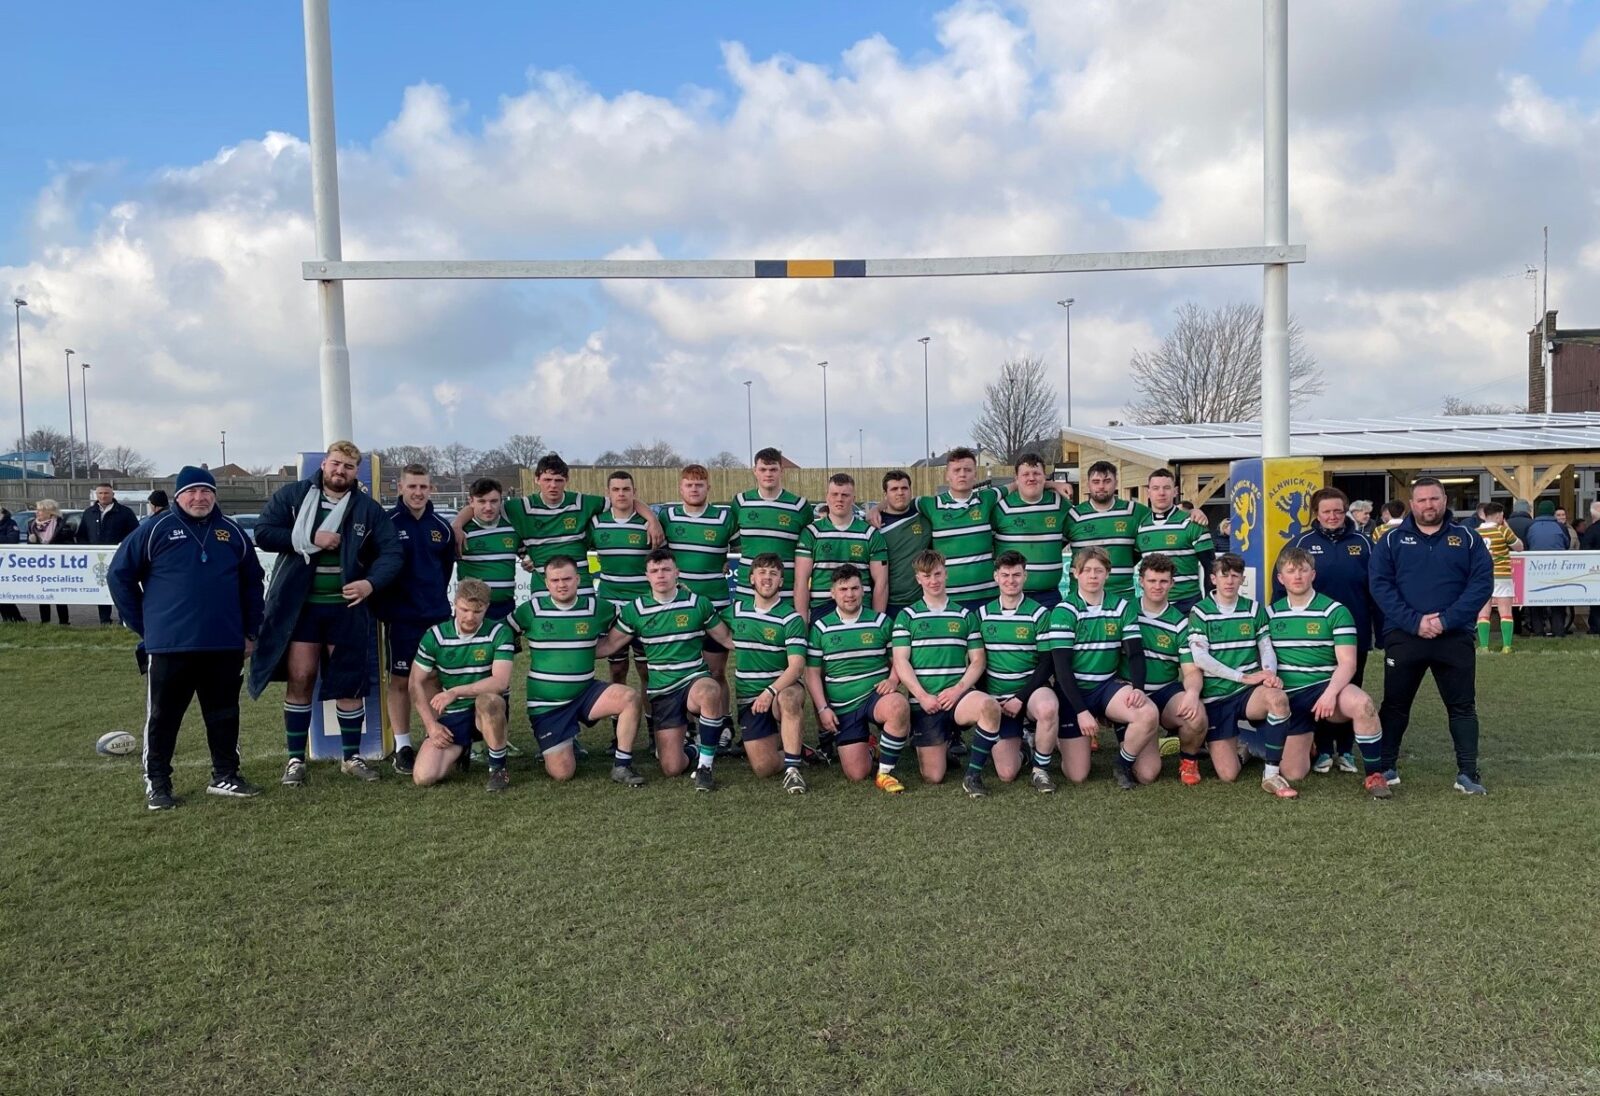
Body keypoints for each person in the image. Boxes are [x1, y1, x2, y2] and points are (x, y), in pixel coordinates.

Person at [106, 466, 265, 810]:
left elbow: (253, 582)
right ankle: (158, 784)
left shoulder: (232, 533)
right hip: (170, 646)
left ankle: (225, 775)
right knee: (163, 717)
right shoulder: (155, 529)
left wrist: (251, 630)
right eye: (191, 491)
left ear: (214, 496)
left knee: (224, 713)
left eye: (206, 491)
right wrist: (145, 626)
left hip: (224, 644)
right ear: (178, 496)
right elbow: (119, 575)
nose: (199, 497)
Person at [248, 441, 403, 787]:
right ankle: (295, 759)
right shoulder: (294, 496)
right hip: (301, 607)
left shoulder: (366, 508)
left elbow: (392, 552)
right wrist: (307, 537)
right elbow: (263, 533)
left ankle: (351, 756)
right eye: (335, 464)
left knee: (348, 681)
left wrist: (369, 584)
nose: (340, 471)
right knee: (301, 675)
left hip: (346, 609)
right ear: (324, 466)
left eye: (348, 467)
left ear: (355, 472)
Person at [1368, 476, 1494, 794]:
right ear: (1412, 504)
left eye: (1434, 499)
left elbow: (1481, 583)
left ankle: (1467, 774)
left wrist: (1447, 620)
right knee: (1395, 706)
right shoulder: (1391, 540)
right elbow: (1380, 585)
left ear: (1444, 501)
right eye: (1422, 500)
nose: (1429, 505)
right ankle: (1386, 767)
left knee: (1462, 707)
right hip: (1405, 636)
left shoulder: (1467, 538)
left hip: (1453, 637)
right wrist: (1414, 622)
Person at [599, 548, 735, 793]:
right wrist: (567, 649)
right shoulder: (635, 609)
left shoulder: (697, 603)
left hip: (693, 679)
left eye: (666, 569)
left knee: (710, 691)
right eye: (654, 571)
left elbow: (727, 639)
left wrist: (768, 645)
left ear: (677, 573)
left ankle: (705, 767)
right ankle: (698, 744)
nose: (660, 575)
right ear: (647, 576)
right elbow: (610, 645)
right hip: (662, 690)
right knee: (672, 767)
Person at [506, 556, 647, 786]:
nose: (561, 584)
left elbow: (633, 618)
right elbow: (503, 632)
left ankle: (622, 765)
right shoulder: (531, 609)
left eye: (567, 579)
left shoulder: (596, 607)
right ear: (546, 583)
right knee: (563, 773)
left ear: (578, 579)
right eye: (555, 580)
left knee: (629, 698)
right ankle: (562, 740)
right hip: (547, 705)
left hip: (585, 692)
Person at [1273, 486, 1381, 774]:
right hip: (1313, 635)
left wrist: (1379, 630)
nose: (1332, 516)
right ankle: (1321, 749)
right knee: (1316, 686)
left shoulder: (1364, 542)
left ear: (1344, 511)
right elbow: (1278, 588)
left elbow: (1377, 588)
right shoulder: (1302, 543)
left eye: (1337, 510)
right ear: (1315, 515)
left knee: (1346, 686)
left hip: (1352, 630)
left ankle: (1345, 749)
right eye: (1326, 512)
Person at [1269, 549, 1390, 800]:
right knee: (1294, 774)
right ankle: (1302, 743)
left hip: (1325, 688)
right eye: (1291, 571)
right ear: (1281, 579)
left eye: (1303, 570)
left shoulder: (1336, 611)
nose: (1298, 576)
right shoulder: (1270, 614)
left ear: (1313, 574)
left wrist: (1330, 694)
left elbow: (1348, 663)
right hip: (1289, 697)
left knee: (1363, 704)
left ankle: (1374, 774)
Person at [462, 452, 661, 599]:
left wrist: (652, 520)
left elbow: (624, 500)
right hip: (544, 589)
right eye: (547, 479)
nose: (553, 485)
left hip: (580, 587)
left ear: (566, 480)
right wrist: (456, 525)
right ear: (537, 479)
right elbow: (481, 506)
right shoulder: (520, 507)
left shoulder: (582, 502)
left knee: (584, 643)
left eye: (558, 480)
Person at [1042, 547, 1160, 790]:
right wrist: (1081, 710)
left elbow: (1135, 653)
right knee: (1077, 775)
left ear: (1108, 573)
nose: (1093, 576)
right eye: (1086, 571)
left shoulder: (1121, 607)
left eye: (1099, 570)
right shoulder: (1065, 611)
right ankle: (1056, 739)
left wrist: (1138, 688)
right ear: (1075, 573)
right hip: (1073, 692)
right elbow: (1062, 669)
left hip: (1107, 687)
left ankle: (1121, 763)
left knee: (1148, 713)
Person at [891, 550, 1005, 797]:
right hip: (926, 702)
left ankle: (973, 776)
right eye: (927, 575)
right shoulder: (906, 616)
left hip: (957, 697)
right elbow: (900, 661)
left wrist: (958, 690)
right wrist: (921, 696)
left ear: (946, 574)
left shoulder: (965, 615)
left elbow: (978, 660)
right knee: (933, 777)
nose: (933, 580)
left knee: (990, 706)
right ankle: (944, 746)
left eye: (938, 574)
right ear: (918, 578)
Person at [1187, 553, 1294, 795]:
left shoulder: (1253, 608)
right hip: (1216, 696)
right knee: (1228, 775)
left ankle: (1271, 775)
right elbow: (1200, 659)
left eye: (1235, 576)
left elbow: (1266, 647)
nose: (1230, 581)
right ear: (1213, 578)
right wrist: (1243, 677)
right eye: (1224, 575)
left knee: (1277, 698)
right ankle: (1241, 748)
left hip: (1248, 694)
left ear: (1242, 579)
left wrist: (1268, 673)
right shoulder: (1201, 611)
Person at [376, 464, 457, 776]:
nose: (418, 492)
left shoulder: (443, 527)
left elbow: (445, 571)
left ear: (431, 489)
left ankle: (433, 737)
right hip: (401, 619)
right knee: (400, 681)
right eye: (412, 486)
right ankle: (402, 747)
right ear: (400, 487)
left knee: (434, 680)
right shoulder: (388, 523)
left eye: (423, 487)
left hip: (436, 616)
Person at [804, 564, 911, 791]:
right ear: (832, 593)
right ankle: (871, 747)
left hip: (875, 696)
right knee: (857, 774)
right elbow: (812, 673)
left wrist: (893, 680)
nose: (849, 594)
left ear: (863, 590)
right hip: (844, 706)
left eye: (854, 588)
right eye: (843, 590)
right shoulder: (820, 627)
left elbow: (899, 660)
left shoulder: (881, 622)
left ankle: (885, 772)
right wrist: (823, 709)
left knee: (898, 706)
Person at [408, 579, 515, 791]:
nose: (469, 617)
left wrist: (455, 692)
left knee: (489, 700)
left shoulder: (499, 632)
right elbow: (415, 683)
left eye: (477, 611)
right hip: (455, 712)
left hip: (486, 707)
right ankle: (462, 749)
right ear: (454, 603)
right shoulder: (435, 635)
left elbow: (500, 682)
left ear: (487, 607)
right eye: (464, 609)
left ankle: (498, 769)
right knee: (424, 777)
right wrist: (431, 725)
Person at [722, 552, 811, 793]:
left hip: (780, 689)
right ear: (751, 578)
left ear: (782, 581)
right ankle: (799, 748)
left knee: (789, 698)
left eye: (773, 574)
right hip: (749, 699)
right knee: (763, 767)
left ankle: (793, 769)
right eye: (762, 572)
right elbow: (715, 630)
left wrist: (770, 691)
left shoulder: (791, 618)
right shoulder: (737, 610)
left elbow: (796, 666)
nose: (767, 578)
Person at [977, 551, 1059, 792]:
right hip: (999, 698)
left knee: (1048, 707)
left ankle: (1040, 770)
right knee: (1006, 773)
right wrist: (989, 701)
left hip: (1030, 692)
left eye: (1016, 575)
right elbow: (978, 664)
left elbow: (1047, 663)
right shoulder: (982, 614)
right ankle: (1024, 746)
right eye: (1005, 575)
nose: (1010, 580)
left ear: (1025, 576)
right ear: (996, 577)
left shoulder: (1040, 613)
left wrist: (1020, 697)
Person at [660, 464, 738, 694]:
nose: (694, 489)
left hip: (717, 605)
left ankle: (723, 722)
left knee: (716, 672)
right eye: (689, 485)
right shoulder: (667, 517)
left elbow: (742, 550)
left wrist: (727, 560)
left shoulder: (724, 517)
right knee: (683, 672)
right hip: (679, 605)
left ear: (708, 488)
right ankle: (689, 727)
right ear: (680, 488)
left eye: (699, 485)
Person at [1133, 554, 1208, 786]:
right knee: (1147, 774)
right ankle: (1146, 738)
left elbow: (1191, 671)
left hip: (1164, 692)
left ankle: (1188, 761)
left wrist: (1193, 694)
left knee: (1196, 716)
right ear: (1141, 581)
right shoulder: (1126, 611)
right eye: (1152, 580)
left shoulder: (1180, 622)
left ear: (1172, 583)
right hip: (1132, 695)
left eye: (1163, 581)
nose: (1158, 586)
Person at [590, 470, 655, 692]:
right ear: (607, 493)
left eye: (626, 489)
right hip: (611, 605)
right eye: (616, 489)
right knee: (617, 670)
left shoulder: (648, 524)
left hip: (643, 605)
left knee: (647, 671)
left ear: (634, 492)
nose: (621, 494)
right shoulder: (597, 523)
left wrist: (653, 519)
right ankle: (619, 721)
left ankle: (652, 724)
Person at [794, 472, 888, 621]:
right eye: (835, 494)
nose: (839, 499)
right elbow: (801, 581)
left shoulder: (870, 534)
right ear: (827, 497)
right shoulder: (811, 533)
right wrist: (802, 621)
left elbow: (881, 583)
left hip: (860, 608)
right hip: (822, 607)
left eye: (845, 495)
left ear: (853, 499)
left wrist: (878, 620)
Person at [991, 452, 1074, 610]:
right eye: (1025, 474)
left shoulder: (1059, 504)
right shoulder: (1001, 508)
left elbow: (1074, 534)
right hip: (1010, 596)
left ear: (1045, 477)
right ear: (1016, 479)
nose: (1031, 478)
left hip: (1049, 596)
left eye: (1037, 473)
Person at [731, 447, 811, 599]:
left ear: (782, 471)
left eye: (773, 469)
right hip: (747, 589)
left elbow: (808, 549)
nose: (768, 474)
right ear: (755, 471)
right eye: (763, 469)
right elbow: (727, 537)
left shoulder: (799, 506)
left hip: (785, 590)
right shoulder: (741, 502)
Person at [1065, 461, 1150, 600]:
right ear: (1088, 485)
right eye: (1096, 481)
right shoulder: (1073, 516)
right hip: (1082, 598)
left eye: (1107, 481)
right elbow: (1051, 548)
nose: (1101, 486)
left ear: (1116, 483)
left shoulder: (1134, 512)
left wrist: (1195, 512)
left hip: (1122, 595)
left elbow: (1163, 516)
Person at [1136, 468, 1214, 616]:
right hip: (1150, 606)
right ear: (1148, 492)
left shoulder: (1193, 523)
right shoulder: (1140, 526)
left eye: (1166, 488)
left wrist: (1210, 604)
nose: (1161, 493)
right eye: (1155, 488)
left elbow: (1211, 567)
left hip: (1187, 604)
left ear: (1175, 491)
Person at [455, 478, 520, 625]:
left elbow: (527, 554)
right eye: (482, 501)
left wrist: (529, 559)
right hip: (472, 610)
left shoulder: (512, 527)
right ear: (471, 502)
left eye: (494, 501)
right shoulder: (460, 532)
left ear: (501, 501)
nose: (488, 507)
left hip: (506, 608)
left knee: (507, 648)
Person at [76, 483, 140, 625]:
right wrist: (89, 550)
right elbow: (81, 535)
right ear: (96, 495)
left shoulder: (125, 513)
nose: (103, 496)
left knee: (120, 588)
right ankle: (104, 620)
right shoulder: (89, 513)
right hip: (96, 560)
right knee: (101, 588)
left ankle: (124, 619)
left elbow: (135, 534)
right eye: (100, 493)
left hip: (119, 558)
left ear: (112, 494)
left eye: (106, 493)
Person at [874, 470, 931, 622]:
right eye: (894, 489)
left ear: (911, 491)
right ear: (885, 494)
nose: (900, 493)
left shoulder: (924, 519)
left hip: (922, 603)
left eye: (904, 488)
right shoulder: (874, 526)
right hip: (888, 604)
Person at [1475, 502, 1522, 653]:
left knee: (1483, 613)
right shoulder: (1503, 531)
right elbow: (1519, 547)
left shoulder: (1475, 533)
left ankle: (1483, 646)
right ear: (1498, 515)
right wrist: (1507, 527)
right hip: (1501, 575)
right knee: (1505, 611)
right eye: (1502, 515)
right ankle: (1506, 646)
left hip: (1482, 576)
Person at [1523, 500, 1568, 637]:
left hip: (1536, 569)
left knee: (1536, 601)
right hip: (1558, 568)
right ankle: (1558, 630)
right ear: (1552, 512)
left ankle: (1538, 631)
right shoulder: (1560, 527)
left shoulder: (1531, 527)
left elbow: (1527, 544)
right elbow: (1566, 544)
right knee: (1558, 600)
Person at [26, 499, 71, 625]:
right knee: (42, 593)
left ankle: (64, 621)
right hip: (40, 563)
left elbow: (70, 543)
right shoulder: (31, 525)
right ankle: (45, 621)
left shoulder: (62, 525)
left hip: (58, 564)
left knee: (59, 593)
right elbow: (29, 547)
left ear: (50, 512)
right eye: (38, 510)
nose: (37, 512)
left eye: (41, 510)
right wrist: (32, 542)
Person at [0, 508, 21, 623]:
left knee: (4, 595)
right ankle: (8, 619)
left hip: (6, 564)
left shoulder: (10, 523)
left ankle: (15, 618)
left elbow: (12, 540)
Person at [1583, 501, 1600, 635]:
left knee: (1596, 600)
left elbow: (1585, 550)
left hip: (1595, 570)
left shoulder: (1591, 530)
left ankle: (1596, 627)